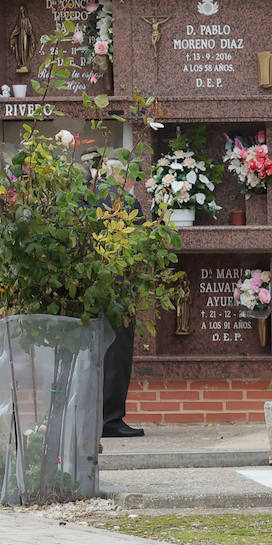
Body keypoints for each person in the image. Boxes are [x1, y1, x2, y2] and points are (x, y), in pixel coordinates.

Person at [92, 154, 145, 437]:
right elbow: (141, 243)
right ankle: (110, 420)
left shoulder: (84, 198)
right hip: (118, 287)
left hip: (86, 287)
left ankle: (87, 418)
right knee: (116, 354)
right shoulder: (123, 201)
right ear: (119, 175)